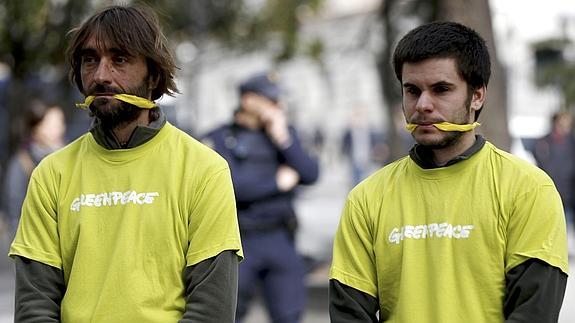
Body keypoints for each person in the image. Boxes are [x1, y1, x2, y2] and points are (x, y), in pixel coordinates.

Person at [8, 5, 243, 322]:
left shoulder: (204, 170)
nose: (101, 75)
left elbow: (211, 310)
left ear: (154, 73)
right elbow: (35, 305)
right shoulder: (51, 174)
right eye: (90, 60)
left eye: (120, 59)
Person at [329, 21, 568, 322]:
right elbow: (349, 315)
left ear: (477, 95)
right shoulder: (365, 199)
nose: (423, 105)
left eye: (441, 89)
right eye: (412, 90)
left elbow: (535, 314)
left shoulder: (529, 189)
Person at [202, 72, 319, 323]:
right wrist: (277, 182)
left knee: (289, 314)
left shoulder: (282, 134)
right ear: (247, 101)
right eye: (271, 100)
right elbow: (232, 186)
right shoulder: (219, 138)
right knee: (228, 314)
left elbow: (310, 173)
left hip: (280, 237)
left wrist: (283, 139)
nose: (278, 107)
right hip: (239, 240)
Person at [2, 99, 66, 238]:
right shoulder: (22, 163)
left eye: (60, 123)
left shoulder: (70, 156)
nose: (59, 129)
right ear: (36, 128)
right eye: (50, 125)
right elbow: (14, 211)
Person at [533, 111, 575, 252]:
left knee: (567, 223)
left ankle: (564, 249)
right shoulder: (544, 143)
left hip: (568, 192)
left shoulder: (571, 142)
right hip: (550, 190)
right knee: (549, 223)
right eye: (563, 123)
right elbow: (542, 164)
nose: (566, 126)